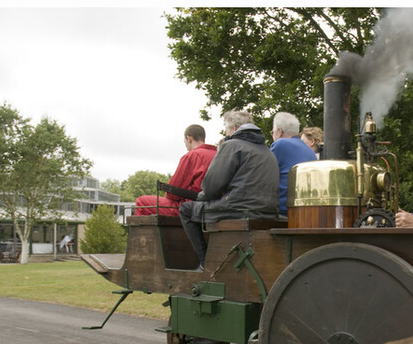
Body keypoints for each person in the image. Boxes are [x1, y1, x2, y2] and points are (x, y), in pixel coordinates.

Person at [179, 111, 280, 267]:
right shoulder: (267, 151)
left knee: (186, 209)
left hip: (238, 209)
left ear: (233, 128)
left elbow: (211, 187)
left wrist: (199, 198)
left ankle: (205, 263)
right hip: (268, 211)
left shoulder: (232, 145)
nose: (226, 134)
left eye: (226, 130)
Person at [134, 124, 218, 216]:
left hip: (191, 206)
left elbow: (173, 193)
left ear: (189, 139)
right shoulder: (218, 155)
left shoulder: (192, 156)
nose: (186, 145)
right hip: (214, 205)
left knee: (141, 202)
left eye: (185, 142)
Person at [270, 112, 317, 215]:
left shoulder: (280, 144)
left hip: (283, 209)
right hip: (305, 209)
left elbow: (265, 176)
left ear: (279, 131)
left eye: (272, 132)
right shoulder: (310, 151)